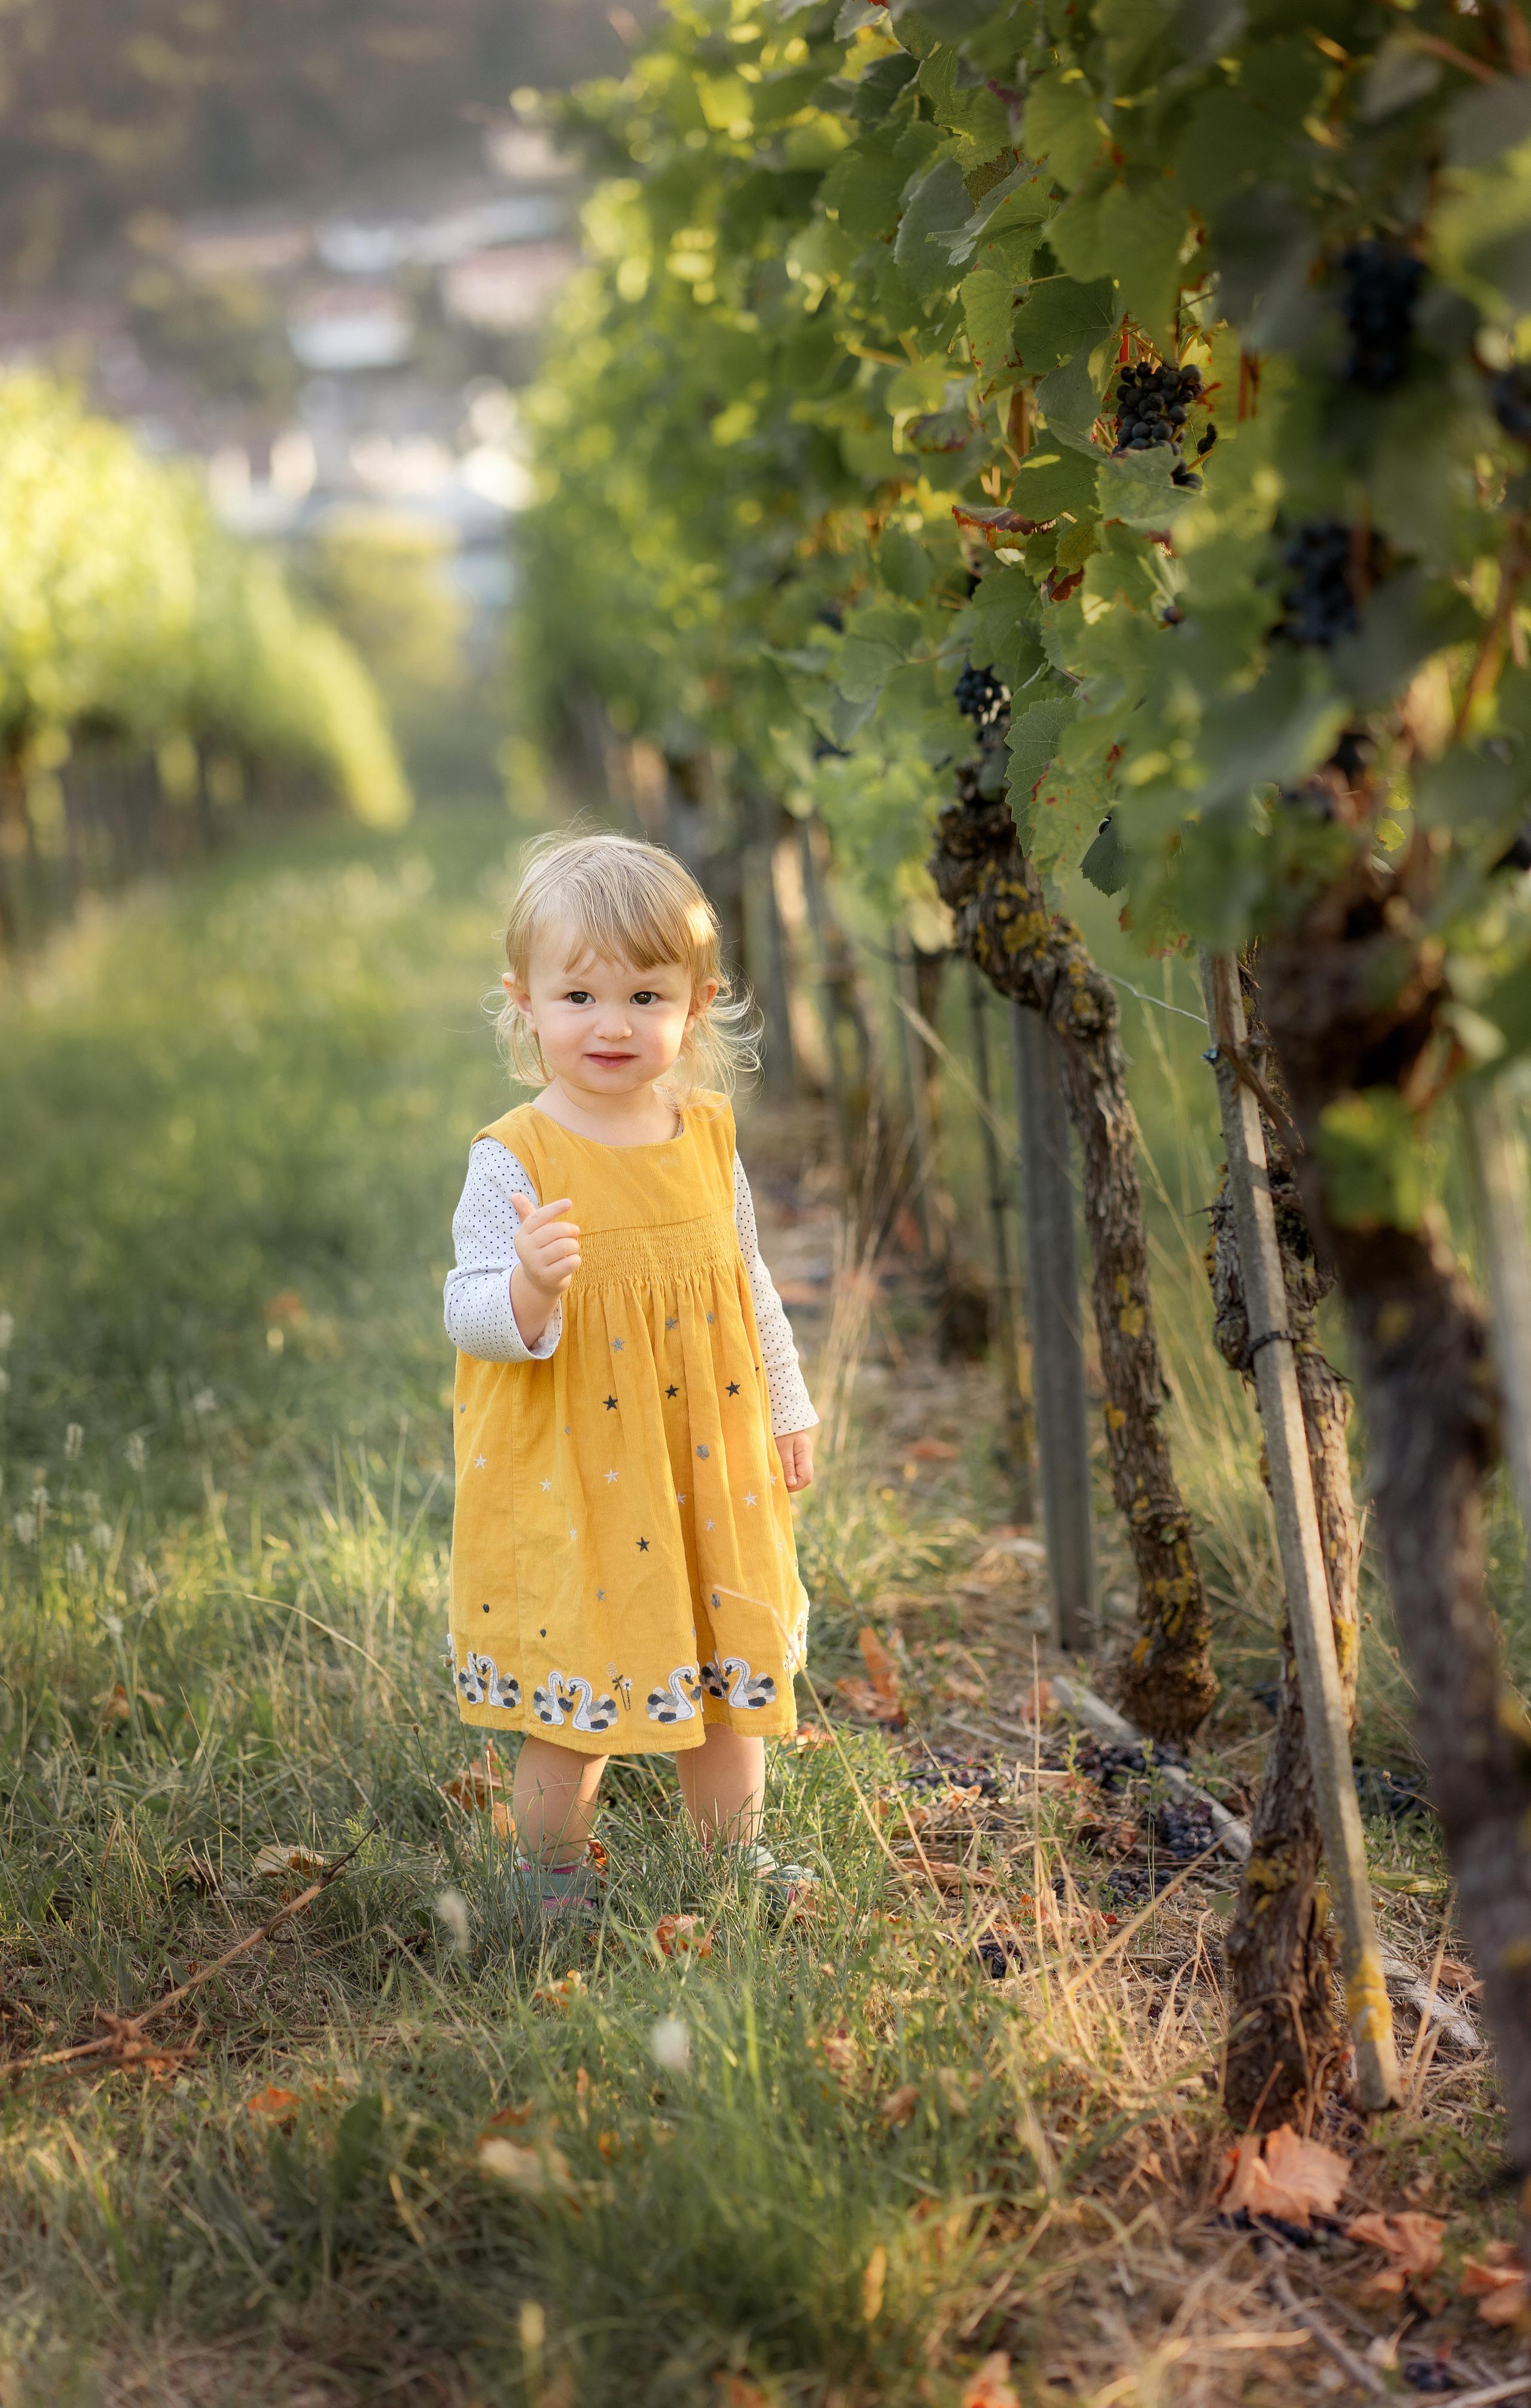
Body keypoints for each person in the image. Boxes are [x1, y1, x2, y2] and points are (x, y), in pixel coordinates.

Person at [443, 829, 818, 1921]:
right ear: (526, 1003)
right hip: (583, 1468)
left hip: (708, 1459)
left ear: (697, 1005)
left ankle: (731, 1862)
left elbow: (746, 1280)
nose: (613, 1024)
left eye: (646, 995)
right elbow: (466, 1307)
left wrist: (787, 1402)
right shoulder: (515, 1156)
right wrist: (528, 1292)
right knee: (581, 1683)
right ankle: (548, 1881)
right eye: (579, 997)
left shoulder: (704, 1133)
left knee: (724, 1673)